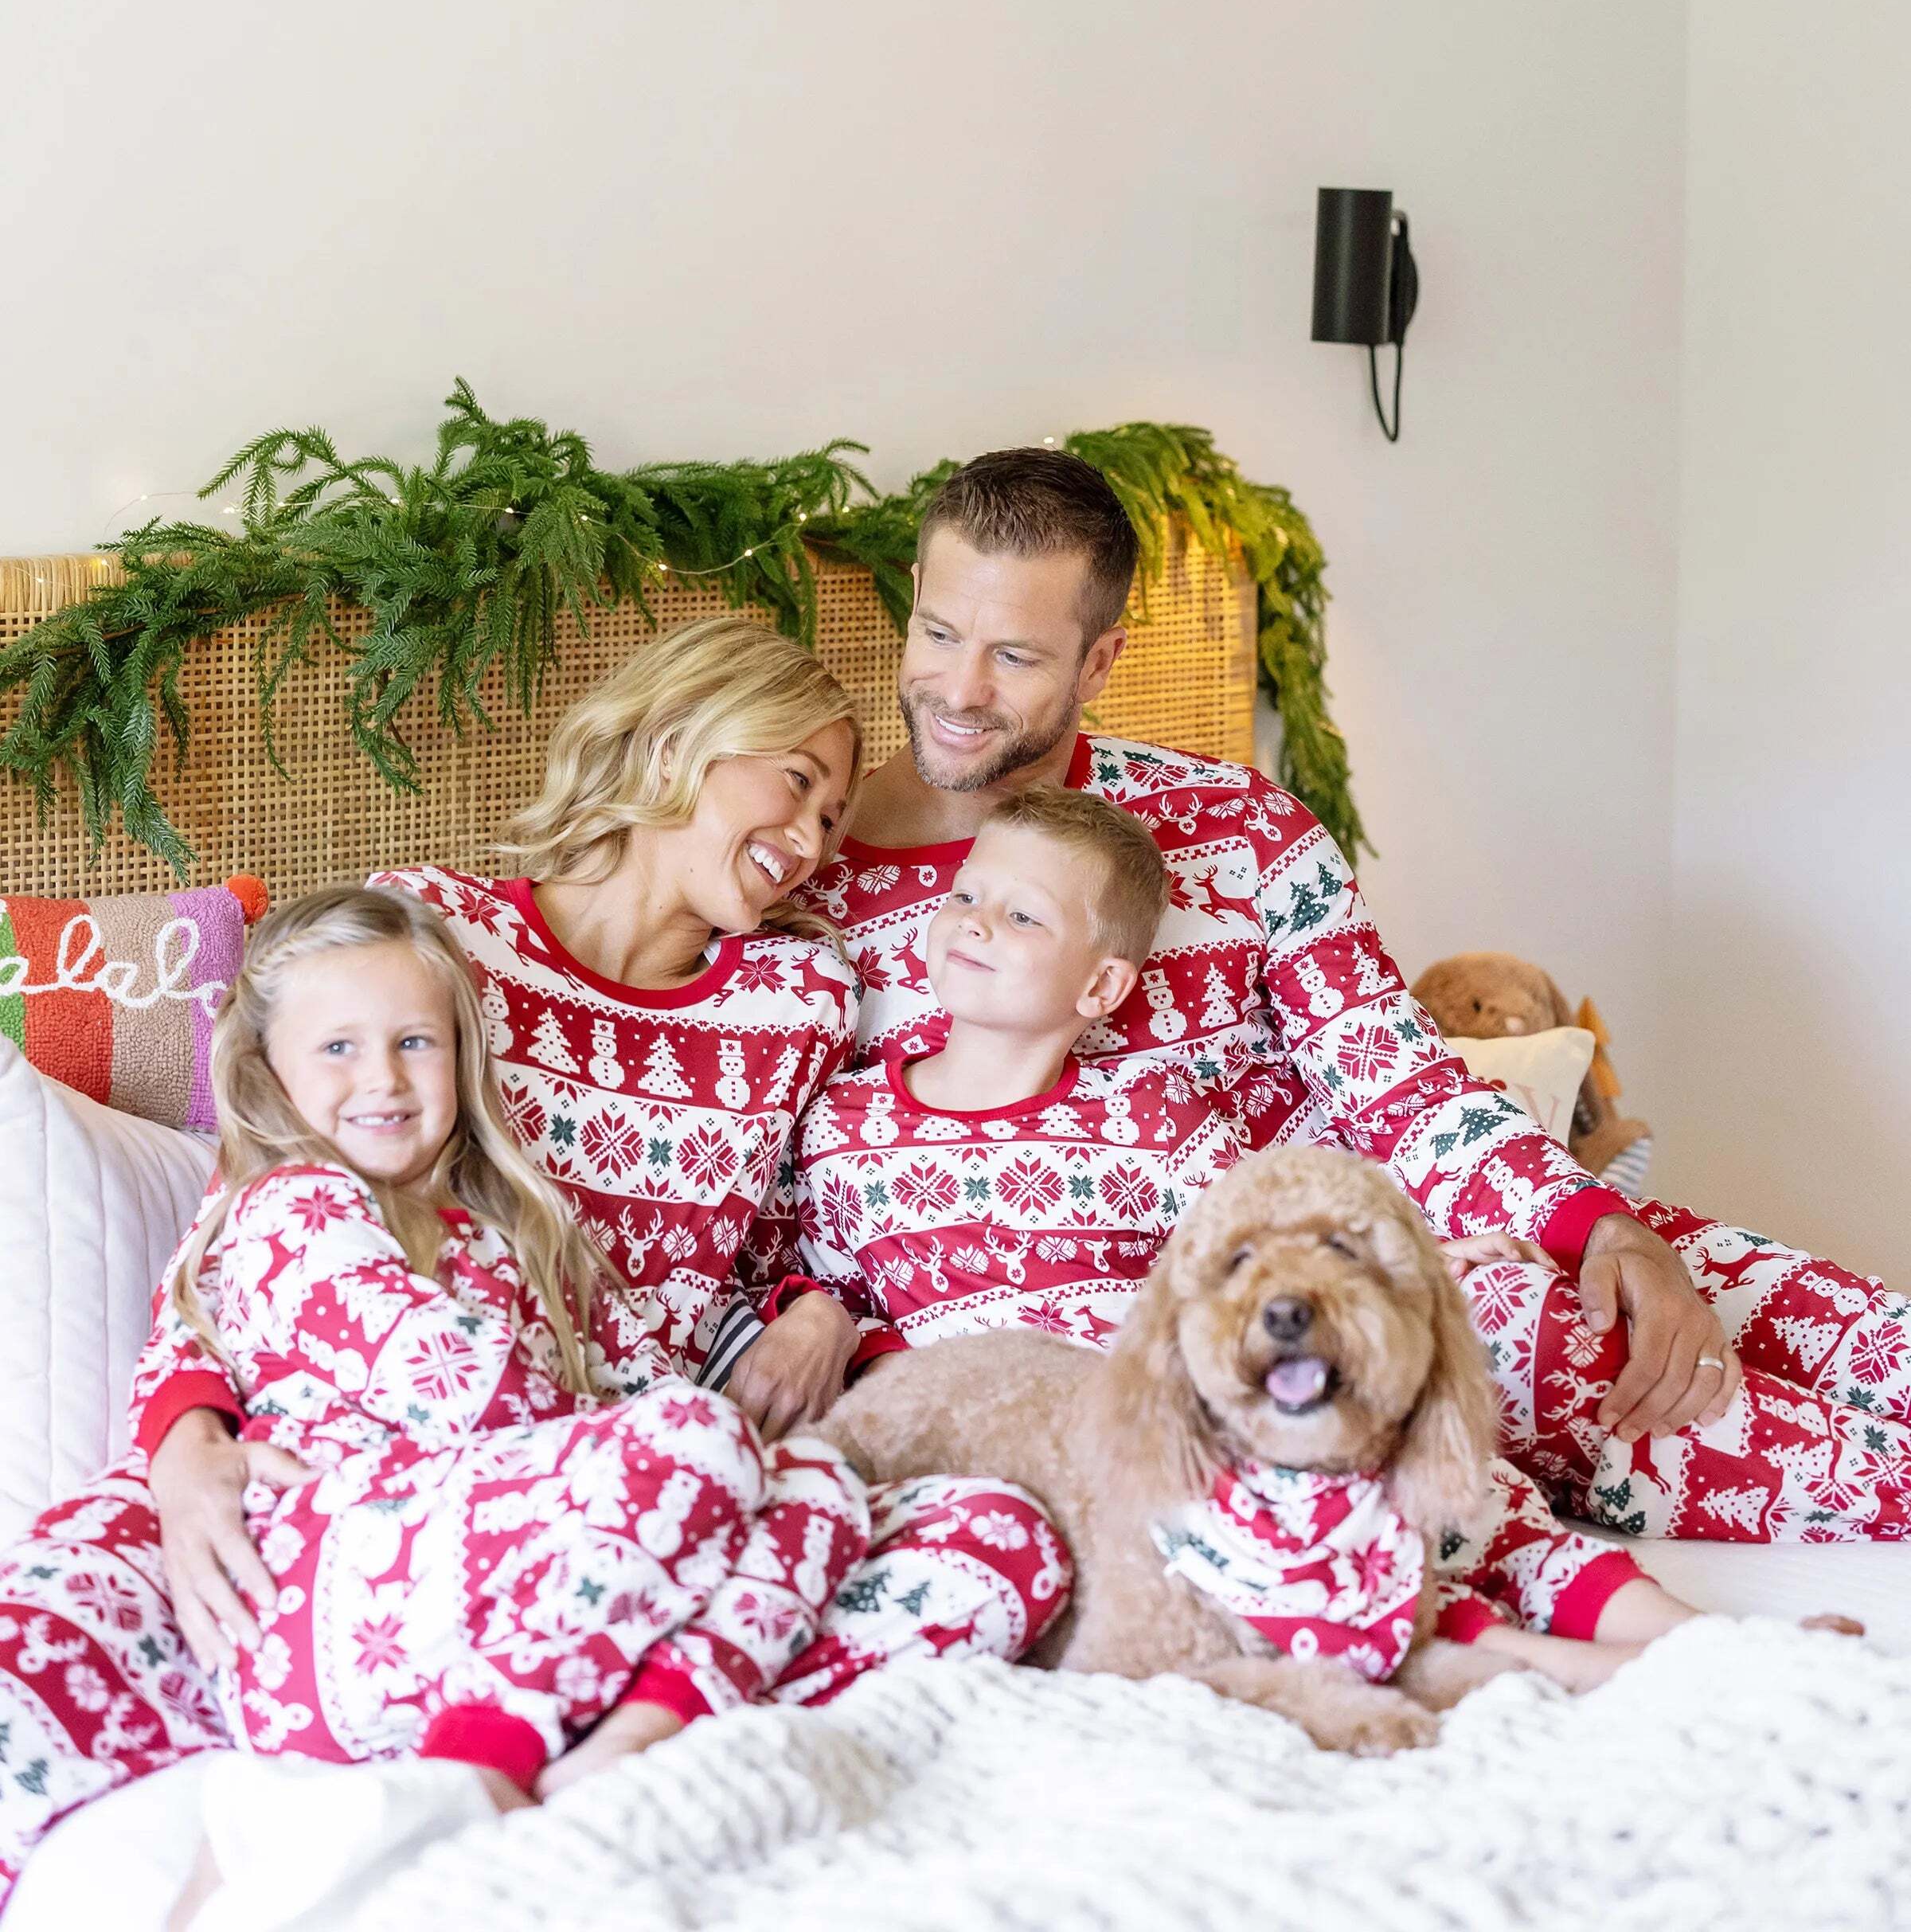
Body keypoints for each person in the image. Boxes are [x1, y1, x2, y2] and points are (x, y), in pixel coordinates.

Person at [0, 620, 1067, 1903]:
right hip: (332, 1465)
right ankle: (540, 1714)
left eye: (835, 815)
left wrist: (818, 1314)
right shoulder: (437, 932)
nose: (813, 837)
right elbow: (250, 1218)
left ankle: (559, 1740)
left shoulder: (801, 1000)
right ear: (676, 741)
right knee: (33, 1649)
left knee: (996, 1543)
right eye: (794, 779)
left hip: (618, 1486)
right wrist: (183, 1455)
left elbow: (809, 1233)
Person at [794, 447, 1911, 1547]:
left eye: (1015, 656)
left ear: (1098, 662)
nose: (960, 690)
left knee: (1839, 1325)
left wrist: (1598, 1224)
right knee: (1584, 1345)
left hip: (1454, 1226)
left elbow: (1401, 1084)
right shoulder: (807, 899)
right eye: (938, 633)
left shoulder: (1238, 825)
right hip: (1281, 1341)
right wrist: (825, 1313)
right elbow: (805, 1214)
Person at [795, 779, 1718, 1680]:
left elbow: (1275, 1249)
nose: (976, 923)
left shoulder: (1152, 1120)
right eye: (966, 895)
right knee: (1265, 1548)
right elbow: (835, 1298)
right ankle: (1529, 1656)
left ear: (1102, 983)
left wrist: (1423, 1256)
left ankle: (1698, 1639)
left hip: (1184, 1419)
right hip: (1031, 1444)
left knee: (1448, 1490)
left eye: (1023, 914)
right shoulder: (842, 1128)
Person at [174, 883, 873, 1828]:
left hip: (531, 1574)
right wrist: (660, 1462)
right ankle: (478, 1768)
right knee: (700, 1443)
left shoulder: (519, 1230)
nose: (383, 1078)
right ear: (269, 1069)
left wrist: (700, 1473)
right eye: (339, 1048)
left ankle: (628, 1738)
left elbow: (644, 1384)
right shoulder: (291, 1208)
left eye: (414, 1042)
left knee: (829, 1487)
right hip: (335, 1618)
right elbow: (476, 1400)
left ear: (462, 1054)